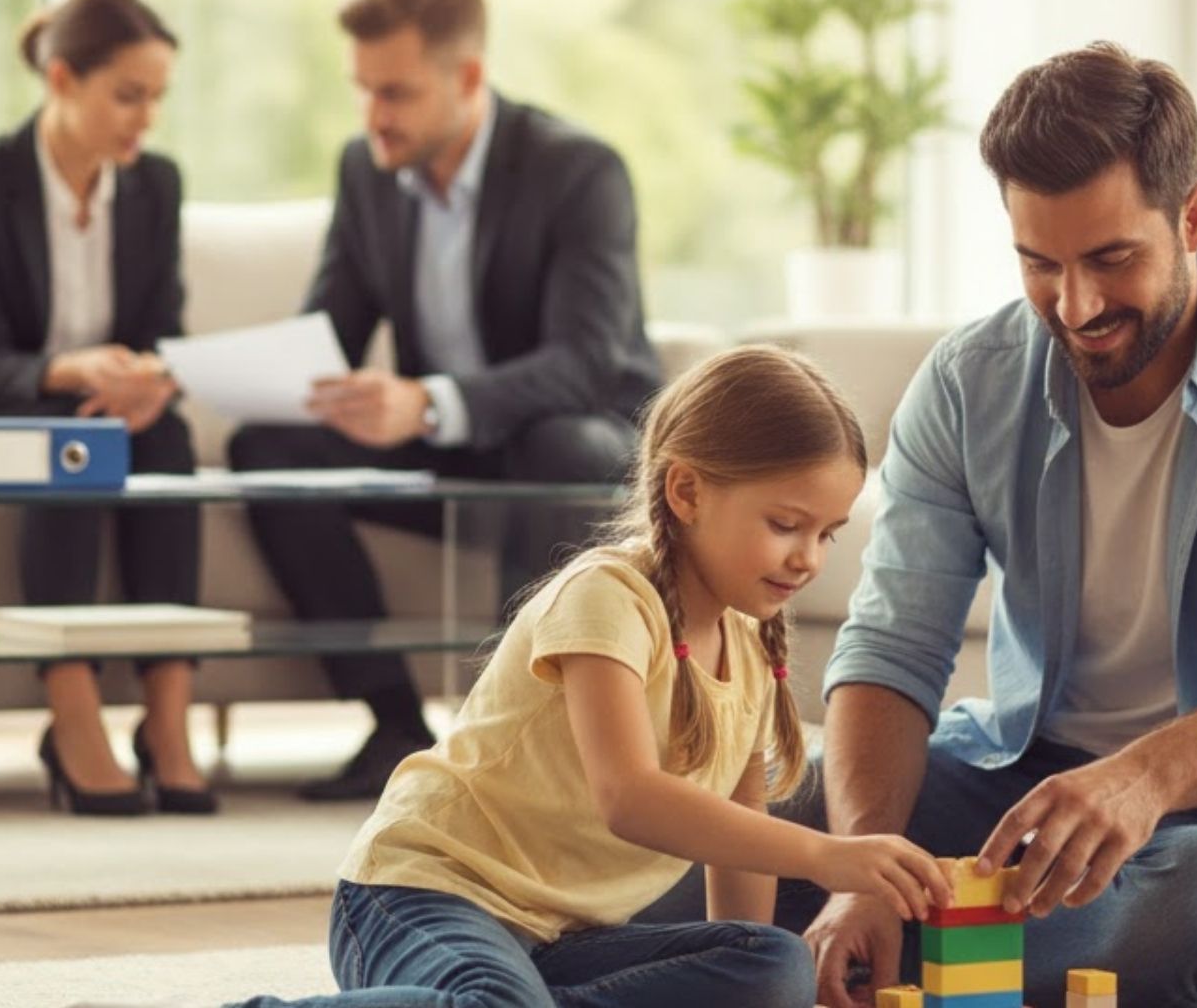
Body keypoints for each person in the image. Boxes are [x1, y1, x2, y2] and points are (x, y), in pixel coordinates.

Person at [647, 42, 1197, 1007]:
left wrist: (1140, 782)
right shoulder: (971, 381)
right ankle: (849, 954)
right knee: (722, 823)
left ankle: (831, 969)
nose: (1078, 304)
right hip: (1014, 782)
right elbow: (893, 646)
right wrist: (859, 864)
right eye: (1039, 264)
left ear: (1194, 217)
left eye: (1112, 259)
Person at [226, 346, 952, 1008]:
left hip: (558, 940)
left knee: (772, 965)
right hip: (424, 895)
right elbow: (629, 797)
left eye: (827, 534)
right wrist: (826, 855)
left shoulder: (749, 645)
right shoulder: (607, 598)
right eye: (786, 524)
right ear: (688, 493)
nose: (809, 559)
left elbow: (739, 845)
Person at [227, 0, 662, 802]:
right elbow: (332, 333)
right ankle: (391, 723)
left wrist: (427, 403)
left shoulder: (578, 171)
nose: (373, 117)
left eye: (395, 94)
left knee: (561, 441)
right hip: (445, 453)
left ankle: (506, 739)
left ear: (466, 77)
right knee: (267, 445)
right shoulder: (367, 171)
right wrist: (251, 379)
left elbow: (588, 359)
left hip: (566, 445)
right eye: (363, 90)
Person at [0, 0, 215, 816]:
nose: (145, 118)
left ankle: (168, 722)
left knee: (165, 440)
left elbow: (163, 329)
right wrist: (74, 372)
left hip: (95, 411)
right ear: (62, 80)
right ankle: (72, 715)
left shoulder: (155, 185)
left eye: (158, 97)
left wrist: (148, 383)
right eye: (127, 95)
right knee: (67, 439)